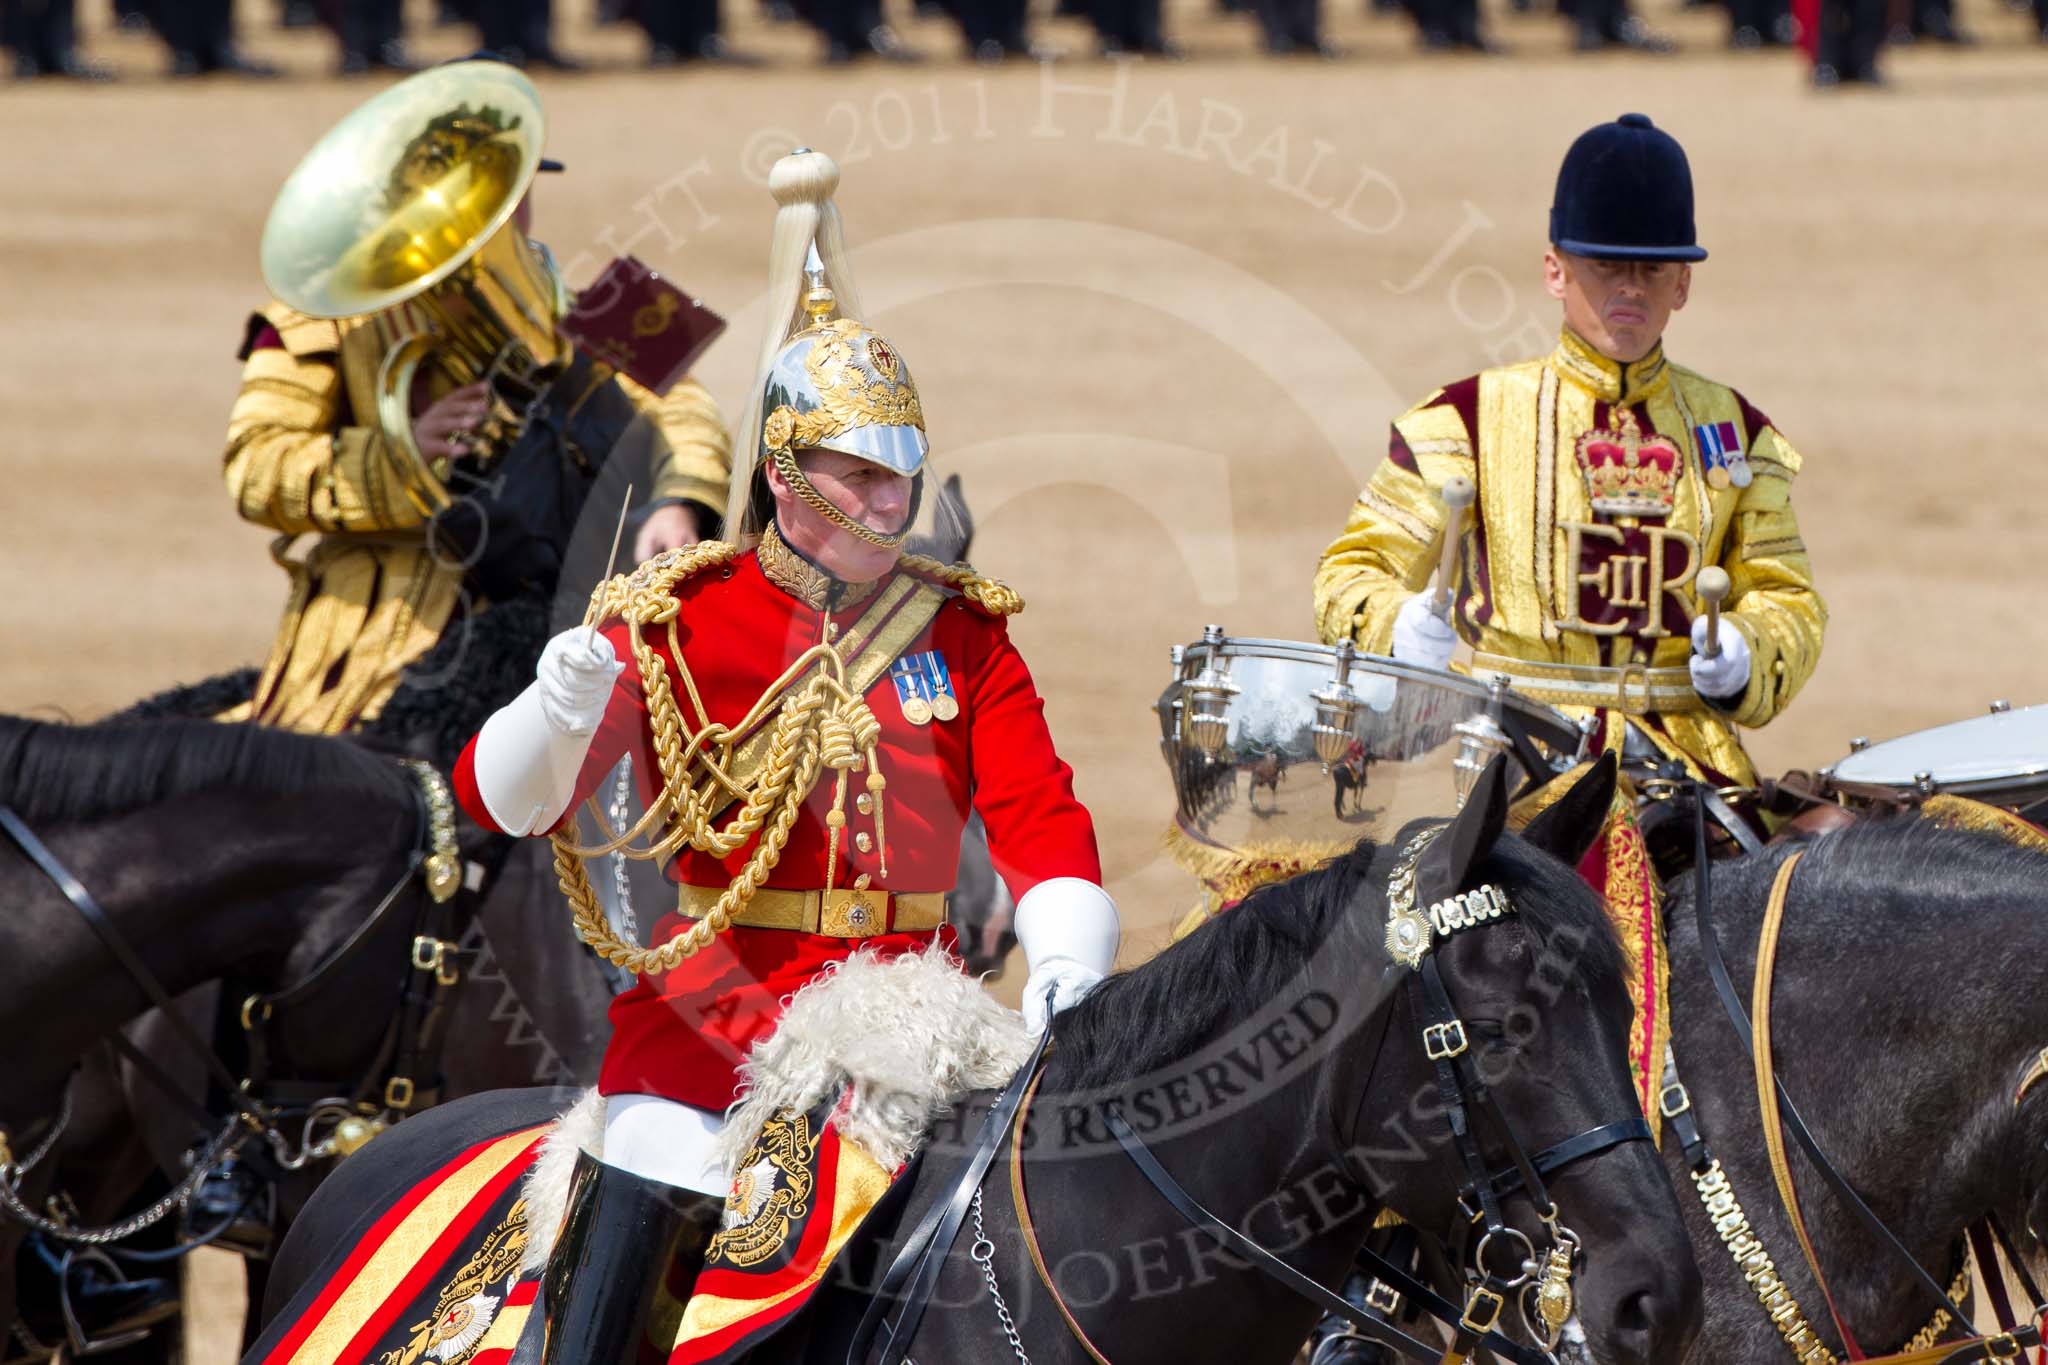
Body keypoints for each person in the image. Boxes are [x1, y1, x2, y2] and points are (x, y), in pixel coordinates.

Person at [449, 148, 1118, 1362]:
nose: (885, 506)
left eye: (899, 479)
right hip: (714, 1035)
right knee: (637, 1213)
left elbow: (1037, 811)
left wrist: (1068, 961)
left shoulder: (958, 629)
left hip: (925, 1030)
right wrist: (553, 708)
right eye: (856, 477)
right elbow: (503, 804)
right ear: (781, 473)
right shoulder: (675, 620)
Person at [1313, 113, 1825, 805]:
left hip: (1691, 777)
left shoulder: (1736, 429)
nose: (1632, 288)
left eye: (1653, 268)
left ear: (1684, 285)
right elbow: (1353, 571)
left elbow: (1786, 594)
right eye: (1607, 264)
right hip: (1511, 767)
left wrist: (1746, 648)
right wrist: (1395, 624)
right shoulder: (1464, 420)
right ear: (1555, 270)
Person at [220, 63, 731, 745]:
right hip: (388, 629)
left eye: (512, 192)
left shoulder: (596, 298)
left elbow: (686, 402)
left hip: (575, 604)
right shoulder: (312, 320)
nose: (509, 216)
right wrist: (401, 454)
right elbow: (256, 466)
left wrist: (681, 499)